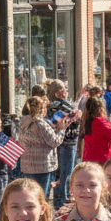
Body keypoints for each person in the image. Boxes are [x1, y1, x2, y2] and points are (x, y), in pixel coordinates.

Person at [18, 95, 73, 198]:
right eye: (44, 108)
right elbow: (54, 141)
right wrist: (62, 129)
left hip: (27, 165)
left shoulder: (22, 121)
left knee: (30, 195)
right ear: (40, 109)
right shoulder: (39, 123)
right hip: (42, 166)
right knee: (42, 197)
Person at [46, 81, 80, 210]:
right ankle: (61, 201)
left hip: (56, 142)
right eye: (64, 89)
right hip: (68, 141)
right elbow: (75, 114)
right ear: (58, 93)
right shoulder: (65, 105)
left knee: (59, 173)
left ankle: (58, 200)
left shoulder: (49, 106)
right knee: (65, 173)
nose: (66, 91)